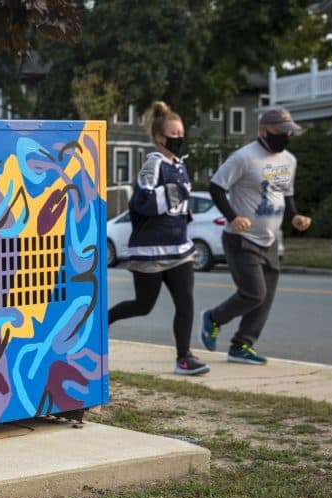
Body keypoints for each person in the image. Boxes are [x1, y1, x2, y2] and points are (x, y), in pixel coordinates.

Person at [200, 107, 312, 364]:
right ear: (263, 131)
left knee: (265, 299)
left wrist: (295, 216)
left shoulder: (289, 160)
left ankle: (241, 346)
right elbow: (216, 187)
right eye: (281, 132)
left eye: (289, 132)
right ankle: (213, 318)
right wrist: (233, 217)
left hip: (270, 238)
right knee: (254, 293)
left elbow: (286, 193)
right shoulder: (243, 157)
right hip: (241, 239)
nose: (286, 137)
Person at [108, 101, 209, 375]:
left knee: (186, 302)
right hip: (151, 252)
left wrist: (183, 212)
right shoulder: (153, 164)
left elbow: (180, 203)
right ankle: (102, 322)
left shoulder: (180, 165)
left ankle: (183, 358)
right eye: (172, 135)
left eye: (181, 134)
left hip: (180, 250)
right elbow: (141, 201)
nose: (178, 139)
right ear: (158, 137)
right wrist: (173, 194)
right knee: (143, 306)